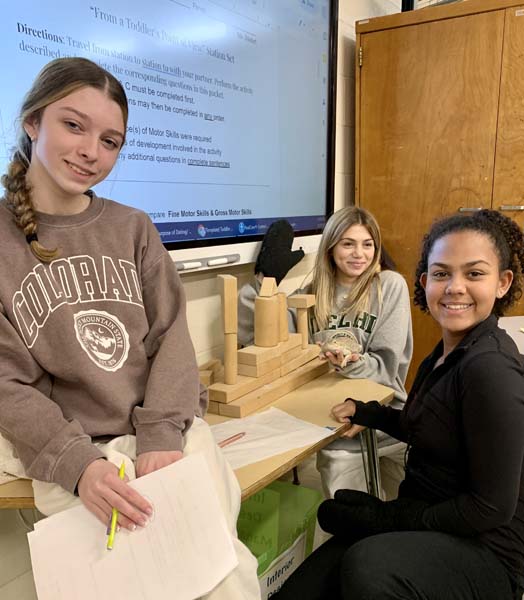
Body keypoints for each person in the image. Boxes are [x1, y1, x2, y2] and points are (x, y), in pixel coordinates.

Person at [0, 57, 260, 599]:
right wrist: (79, 467)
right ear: (31, 122)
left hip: (162, 433)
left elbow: (171, 336)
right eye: (74, 125)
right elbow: (6, 383)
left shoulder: (132, 227)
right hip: (76, 449)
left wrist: (162, 435)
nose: (91, 151)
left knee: (223, 576)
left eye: (111, 140)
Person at [274, 209, 524, 600]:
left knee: (368, 565)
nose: (455, 287)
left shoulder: (491, 370)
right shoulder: (444, 354)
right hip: (429, 522)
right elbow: (426, 425)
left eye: (474, 274)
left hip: (484, 551)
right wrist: (368, 412)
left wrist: (390, 517)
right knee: (302, 590)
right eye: (441, 274)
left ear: (502, 283)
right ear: (425, 283)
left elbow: (491, 509)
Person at [238, 208, 413, 498]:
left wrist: (352, 363)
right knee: (350, 519)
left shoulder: (389, 286)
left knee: (409, 512)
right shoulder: (311, 293)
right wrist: (262, 282)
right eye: (348, 243)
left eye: (367, 244)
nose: (359, 254)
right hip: (336, 429)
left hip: (388, 419)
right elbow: (265, 342)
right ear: (331, 248)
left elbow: (386, 367)